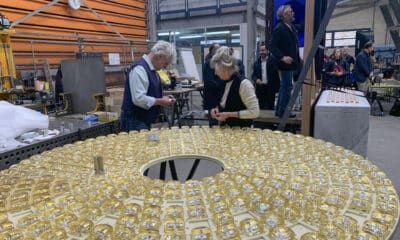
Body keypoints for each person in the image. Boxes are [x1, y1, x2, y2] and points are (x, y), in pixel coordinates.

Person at [120, 40, 176, 131]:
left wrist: (163, 98)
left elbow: (150, 93)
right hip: (134, 121)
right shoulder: (139, 69)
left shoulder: (153, 70)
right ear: (159, 56)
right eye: (165, 63)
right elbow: (138, 99)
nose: (165, 67)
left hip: (144, 120)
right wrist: (160, 101)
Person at [209, 46, 260, 127]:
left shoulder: (244, 84)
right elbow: (224, 103)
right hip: (226, 129)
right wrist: (216, 109)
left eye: (216, 69)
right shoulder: (223, 82)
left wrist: (229, 114)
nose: (215, 73)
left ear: (224, 68)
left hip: (242, 131)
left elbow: (255, 112)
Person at [270, 4, 300, 118]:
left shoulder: (290, 27)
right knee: (287, 87)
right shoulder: (280, 28)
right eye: (290, 12)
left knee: (285, 87)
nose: (293, 13)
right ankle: (283, 112)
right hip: (284, 64)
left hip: (291, 64)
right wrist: (282, 57)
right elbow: (272, 46)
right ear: (283, 15)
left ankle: (280, 111)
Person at [202, 43, 225, 126]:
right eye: (216, 49)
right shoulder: (209, 64)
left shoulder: (219, 63)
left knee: (221, 118)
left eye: (219, 49)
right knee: (213, 120)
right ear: (211, 52)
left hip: (219, 95)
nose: (218, 51)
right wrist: (222, 86)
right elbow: (208, 81)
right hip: (212, 96)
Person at [251, 44, 280, 110]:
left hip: (270, 88)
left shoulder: (273, 61)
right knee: (261, 107)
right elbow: (253, 75)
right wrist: (256, 80)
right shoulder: (256, 63)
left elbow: (276, 74)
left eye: (263, 50)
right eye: (260, 50)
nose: (261, 52)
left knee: (270, 107)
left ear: (267, 51)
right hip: (260, 89)